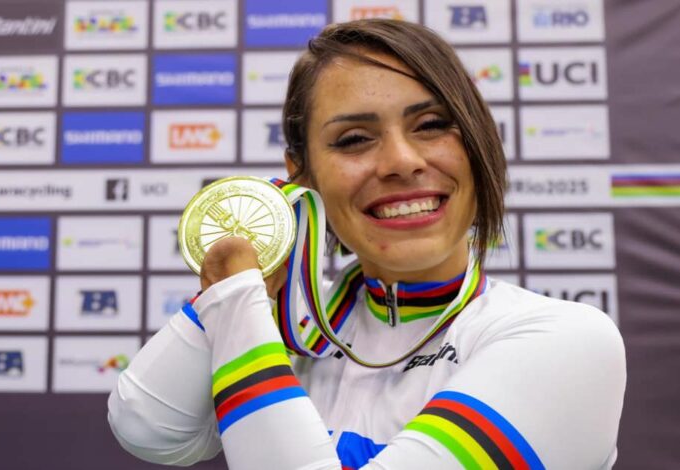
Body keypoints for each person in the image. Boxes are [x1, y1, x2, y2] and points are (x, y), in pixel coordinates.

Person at [107, 19, 626, 469]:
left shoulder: (566, 339)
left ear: (477, 143)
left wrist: (238, 303)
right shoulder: (297, 329)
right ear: (302, 174)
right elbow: (147, 427)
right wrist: (247, 288)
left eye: (432, 125)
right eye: (354, 139)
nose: (402, 161)